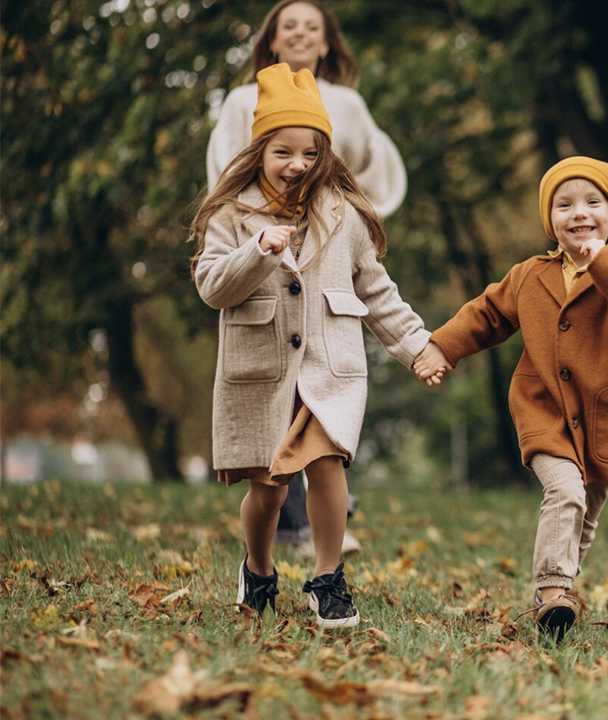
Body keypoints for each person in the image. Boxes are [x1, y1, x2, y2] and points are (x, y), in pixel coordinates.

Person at [191, 63, 440, 626]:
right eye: (282, 151)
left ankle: (328, 578)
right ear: (259, 152)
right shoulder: (231, 215)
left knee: (328, 466)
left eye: (310, 152)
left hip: (331, 368)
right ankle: (258, 568)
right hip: (264, 371)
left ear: (325, 154)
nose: (297, 164)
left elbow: (377, 293)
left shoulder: (343, 215)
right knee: (271, 494)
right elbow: (211, 287)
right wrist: (258, 248)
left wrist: (418, 346)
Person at [413, 157, 608, 642]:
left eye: (592, 203)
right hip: (544, 408)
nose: (579, 213)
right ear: (549, 218)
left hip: (606, 417)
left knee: (585, 517)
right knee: (565, 493)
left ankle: (560, 595)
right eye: (564, 204)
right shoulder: (532, 275)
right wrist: (442, 346)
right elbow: (487, 313)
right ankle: (552, 591)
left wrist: (605, 263)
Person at [207, 0, 408, 556]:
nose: (299, 34)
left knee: (324, 437)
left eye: (311, 27)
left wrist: (352, 212)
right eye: (288, 25)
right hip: (262, 288)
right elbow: (225, 177)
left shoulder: (347, 105)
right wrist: (248, 232)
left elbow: (371, 163)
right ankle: (268, 554)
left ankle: (326, 569)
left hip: (326, 285)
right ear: (271, 40)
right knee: (270, 461)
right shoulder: (241, 103)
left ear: (326, 43)